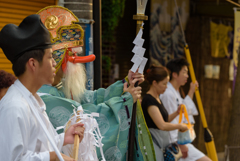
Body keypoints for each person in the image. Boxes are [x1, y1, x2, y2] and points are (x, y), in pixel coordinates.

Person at [36, 6, 154, 161]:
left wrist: (124, 84)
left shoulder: (59, 86)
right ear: (59, 59)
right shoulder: (44, 94)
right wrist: (124, 101)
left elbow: (92, 98)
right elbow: (85, 116)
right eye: (73, 54)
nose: (78, 61)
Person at [0, 14, 85, 161]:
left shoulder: (32, 100)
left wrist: (64, 138)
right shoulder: (14, 106)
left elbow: (41, 145)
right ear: (33, 64)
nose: (54, 63)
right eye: (50, 57)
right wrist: (55, 157)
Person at [160, 58, 211, 161]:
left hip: (179, 140)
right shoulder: (168, 94)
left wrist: (191, 91)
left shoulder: (175, 91)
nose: (187, 76)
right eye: (184, 72)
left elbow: (184, 109)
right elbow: (170, 121)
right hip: (175, 142)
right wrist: (180, 144)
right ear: (174, 74)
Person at [141, 65, 188, 160]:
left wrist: (176, 113)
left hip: (161, 144)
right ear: (154, 83)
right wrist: (180, 126)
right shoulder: (149, 100)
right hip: (154, 145)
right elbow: (162, 125)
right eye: (164, 84)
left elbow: (163, 120)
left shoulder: (157, 98)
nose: (166, 87)